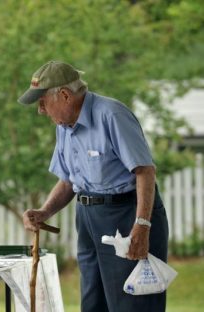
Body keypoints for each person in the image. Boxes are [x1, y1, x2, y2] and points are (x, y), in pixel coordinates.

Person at [18, 61, 169, 312]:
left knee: (132, 304)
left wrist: (142, 227)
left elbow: (145, 171)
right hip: (88, 219)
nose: (40, 110)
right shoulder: (64, 127)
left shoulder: (112, 115)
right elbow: (69, 180)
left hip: (126, 216)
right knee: (93, 303)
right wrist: (45, 212)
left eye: (42, 101)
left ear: (65, 95)